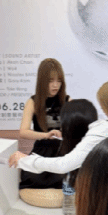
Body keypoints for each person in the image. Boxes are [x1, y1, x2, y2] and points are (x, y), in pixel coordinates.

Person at [18, 58, 69, 190]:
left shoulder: (68, 101)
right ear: (42, 81)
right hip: (41, 151)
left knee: (66, 177)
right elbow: (23, 132)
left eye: (59, 81)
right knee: (31, 178)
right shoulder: (33, 102)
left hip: (62, 153)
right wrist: (46, 135)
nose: (55, 85)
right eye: (51, 81)